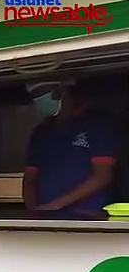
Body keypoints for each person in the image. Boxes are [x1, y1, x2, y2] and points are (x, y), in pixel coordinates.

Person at [23, 80, 118, 218]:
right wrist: (33, 211)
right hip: (46, 219)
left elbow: (102, 176)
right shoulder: (40, 134)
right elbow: (29, 179)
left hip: (88, 216)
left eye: (47, 94)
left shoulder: (96, 127)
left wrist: (57, 205)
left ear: (66, 93)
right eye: (37, 95)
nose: (41, 100)